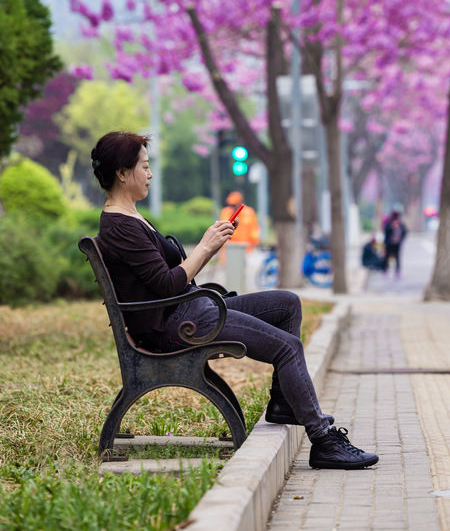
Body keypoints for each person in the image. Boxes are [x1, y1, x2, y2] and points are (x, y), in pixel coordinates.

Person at [91, 131, 377, 471]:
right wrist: (207, 247)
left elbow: (164, 281)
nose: (150, 174)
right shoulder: (120, 226)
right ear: (122, 173)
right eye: (144, 166)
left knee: (287, 303)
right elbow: (167, 286)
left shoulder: (131, 217)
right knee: (287, 347)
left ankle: (283, 406)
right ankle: (324, 440)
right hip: (177, 326)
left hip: (190, 311)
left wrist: (207, 248)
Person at [383, 209, 407, 277]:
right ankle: (387, 270)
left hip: (396, 244)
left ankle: (396, 271)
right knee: (388, 257)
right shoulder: (390, 223)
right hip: (390, 244)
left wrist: (401, 239)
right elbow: (386, 231)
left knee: (395, 258)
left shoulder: (399, 224)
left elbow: (404, 232)